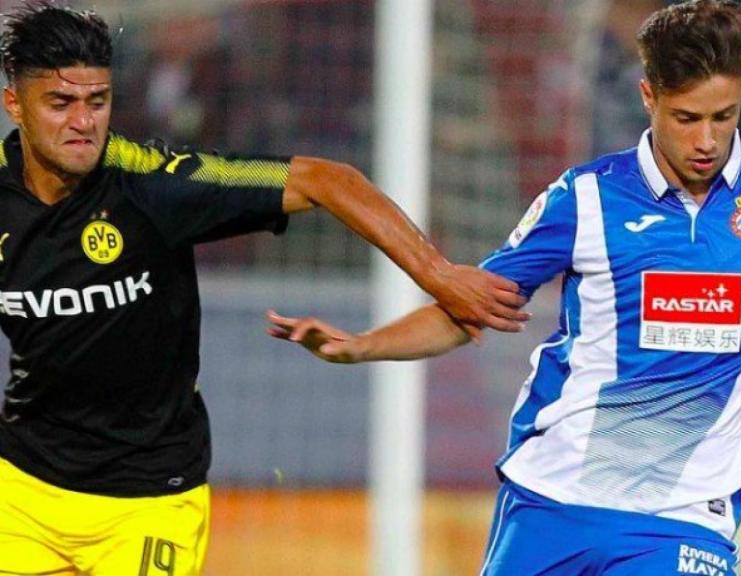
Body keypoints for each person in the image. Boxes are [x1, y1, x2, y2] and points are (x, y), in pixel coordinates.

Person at [271, 2, 741, 574]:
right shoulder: (583, 200)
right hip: (552, 500)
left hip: (681, 517)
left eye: (724, 117)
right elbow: (467, 311)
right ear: (648, 97)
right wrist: (363, 347)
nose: (708, 139)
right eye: (687, 118)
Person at [0, 3, 529, 575]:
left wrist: (439, 274)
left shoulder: (152, 185)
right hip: (23, 490)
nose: (83, 122)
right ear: (15, 105)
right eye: (60, 103)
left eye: (97, 102)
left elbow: (329, 179)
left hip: (148, 497)